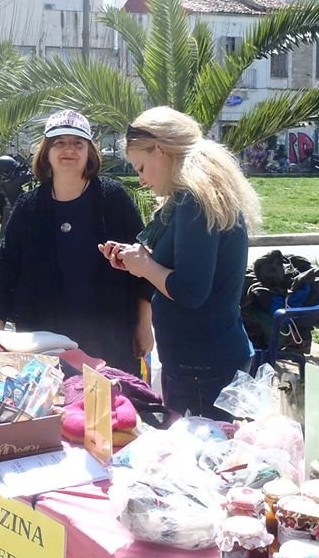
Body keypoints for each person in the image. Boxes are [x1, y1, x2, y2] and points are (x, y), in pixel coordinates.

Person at [100, 107, 262, 419]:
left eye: (142, 167)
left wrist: (145, 267)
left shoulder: (194, 201)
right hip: (204, 359)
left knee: (202, 460)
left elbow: (189, 290)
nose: (142, 180)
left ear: (160, 150)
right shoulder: (194, 198)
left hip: (202, 366)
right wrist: (139, 260)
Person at [0, 109, 153, 376]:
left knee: (113, 412)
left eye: (78, 143)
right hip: (43, 344)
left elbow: (142, 264)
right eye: (60, 142)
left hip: (109, 340)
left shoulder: (112, 199)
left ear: (90, 151)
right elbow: (7, 270)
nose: (69, 150)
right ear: (46, 151)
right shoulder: (27, 206)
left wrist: (143, 325)